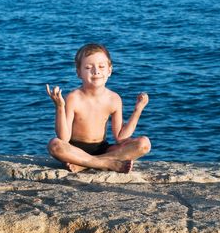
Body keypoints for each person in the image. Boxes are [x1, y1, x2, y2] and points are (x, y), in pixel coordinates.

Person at [46, 43, 151, 173]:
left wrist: (138, 109)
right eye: (88, 67)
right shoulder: (73, 98)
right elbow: (64, 138)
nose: (96, 71)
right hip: (75, 150)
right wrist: (60, 107)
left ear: (109, 70)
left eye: (101, 66)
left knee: (144, 143)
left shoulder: (114, 98)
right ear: (79, 72)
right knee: (54, 144)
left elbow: (120, 137)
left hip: (102, 148)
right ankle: (104, 162)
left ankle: (86, 164)